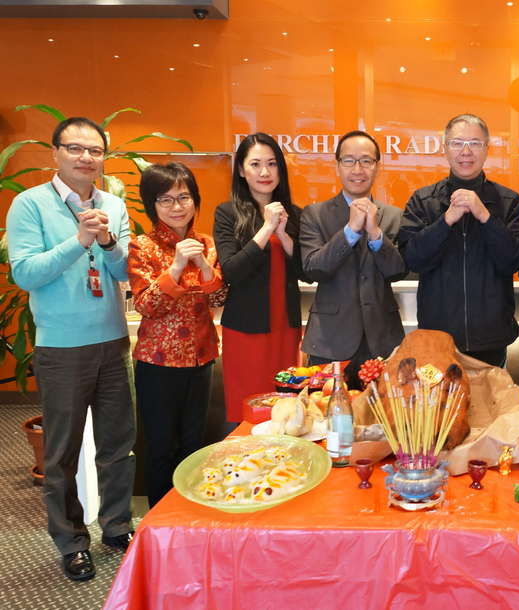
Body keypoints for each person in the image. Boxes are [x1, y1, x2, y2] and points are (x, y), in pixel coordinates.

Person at [6, 117, 136, 581]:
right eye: (75, 148)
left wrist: (106, 241)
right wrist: (77, 240)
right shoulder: (29, 205)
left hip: (111, 342)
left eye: (95, 150)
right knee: (61, 453)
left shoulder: (114, 205)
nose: (86, 157)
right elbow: (24, 273)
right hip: (61, 348)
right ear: (55, 153)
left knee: (118, 445)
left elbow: (123, 273)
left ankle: (117, 527)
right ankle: (71, 542)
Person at [128, 163, 227, 508]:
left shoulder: (206, 244)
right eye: (165, 200)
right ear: (152, 205)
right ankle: (159, 522)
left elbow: (218, 298)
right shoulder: (143, 246)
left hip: (201, 358)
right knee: (160, 447)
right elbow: (146, 305)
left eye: (184, 197)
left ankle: (189, 518)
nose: (177, 206)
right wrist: (174, 268)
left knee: (193, 446)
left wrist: (202, 266)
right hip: (158, 364)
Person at [398, 114, 519, 367]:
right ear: (445, 150)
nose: (466, 152)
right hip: (437, 337)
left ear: (487, 150)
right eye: (457, 143)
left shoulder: (509, 202)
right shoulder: (423, 201)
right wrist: (446, 220)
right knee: (439, 407)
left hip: (491, 336)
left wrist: (485, 216)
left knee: (489, 406)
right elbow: (413, 259)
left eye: (475, 144)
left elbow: (512, 261)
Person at [298, 131, 407, 388]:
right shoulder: (314, 214)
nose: (357, 169)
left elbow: (398, 271)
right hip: (329, 339)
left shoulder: (394, 216)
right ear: (337, 166)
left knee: (380, 420)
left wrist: (375, 233)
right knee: (327, 419)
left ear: (377, 167)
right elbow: (314, 269)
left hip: (382, 338)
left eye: (366, 161)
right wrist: (350, 231)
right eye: (349, 160)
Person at [213, 133, 307, 424]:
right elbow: (231, 271)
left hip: (286, 327)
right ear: (241, 170)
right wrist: (267, 228)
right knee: (250, 412)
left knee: (288, 410)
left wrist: (283, 232)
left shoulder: (295, 214)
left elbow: (306, 271)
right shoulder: (227, 213)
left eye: (272, 164)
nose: (264, 172)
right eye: (255, 164)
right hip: (247, 331)